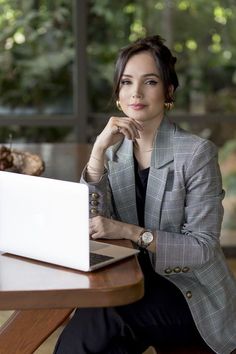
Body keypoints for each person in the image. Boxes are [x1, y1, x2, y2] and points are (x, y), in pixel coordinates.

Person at [54, 35, 236, 354]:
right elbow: (92, 226)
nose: (135, 92)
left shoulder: (195, 153)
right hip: (135, 282)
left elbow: (203, 248)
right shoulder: (114, 154)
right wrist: (97, 152)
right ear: (118, 93)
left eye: (149, 81)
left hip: (190, 294)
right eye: (126, 82)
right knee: (104, 327)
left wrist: (129, 232)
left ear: (168, 92)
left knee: (108, 314)